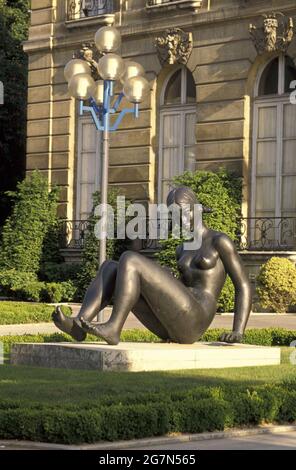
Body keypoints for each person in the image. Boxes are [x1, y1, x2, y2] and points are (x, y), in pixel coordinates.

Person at [53, 187, 252, 345]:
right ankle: (79, 325)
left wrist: (238, 331)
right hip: (175, 320)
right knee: (110, 267)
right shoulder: (182, 248)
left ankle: (114, 327)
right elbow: (177, 290)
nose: (177, 219)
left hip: (196, 318)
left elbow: (243, 285)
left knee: (130, 258)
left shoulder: (219, 241)